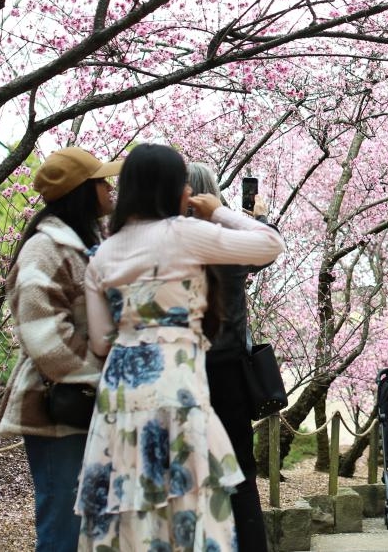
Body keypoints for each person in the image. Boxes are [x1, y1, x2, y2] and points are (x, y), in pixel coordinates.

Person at [77, 143, 285, 550]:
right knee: (187, 493)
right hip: (176, 380)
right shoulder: (185, 234)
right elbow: (270, 245)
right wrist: (218, 212)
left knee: (130, 495)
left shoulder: (101, 255)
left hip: (120, 389)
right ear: (173, 188)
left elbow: (101, 339)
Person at [0, 147, 121, 552]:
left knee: (91, 524)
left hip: (86, 404)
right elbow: (42, 334)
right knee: (63, 525)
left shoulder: (87, 243)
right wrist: (100, 374)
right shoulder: (44, 249)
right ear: (82, 192)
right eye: (101, 181)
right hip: (57, 406)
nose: (109, 187)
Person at [187, 162, 279, 551]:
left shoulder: (173, 240)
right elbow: (270, 245)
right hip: (228, 373)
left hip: (185, 371)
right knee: (240, 471)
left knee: (191, 474)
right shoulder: (227, 243)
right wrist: (255, 217)